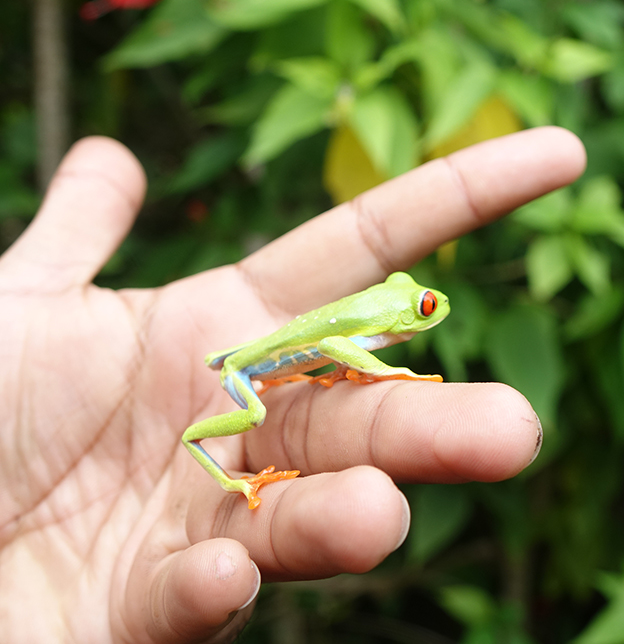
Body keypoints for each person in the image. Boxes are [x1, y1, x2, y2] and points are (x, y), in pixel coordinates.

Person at [0, 127, 586, 642]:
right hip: (246, 372)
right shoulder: (361, 338)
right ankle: (232, 480)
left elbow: (334, 351)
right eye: (423, 305)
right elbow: (333, 346)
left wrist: (360, 366)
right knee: (252, 417)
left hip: (280, 357)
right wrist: (388, 372)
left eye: (421, 300)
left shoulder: (374, 318)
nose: (428, 310)